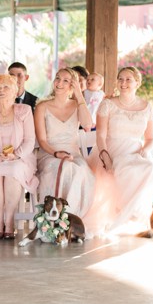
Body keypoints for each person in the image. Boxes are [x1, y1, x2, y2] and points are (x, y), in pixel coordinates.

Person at [91, 67, 153, 232]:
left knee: (151, 167)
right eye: (120, 79)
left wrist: (145, 151)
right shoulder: (107, 104)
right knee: (124, 169)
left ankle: (132, 212)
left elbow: (150, 139)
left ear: (137, 83)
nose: (123, 83)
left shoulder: (147, 107)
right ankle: (130, 213)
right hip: (111, 150)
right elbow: (101, 137)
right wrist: (106, 158)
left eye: (128, 79)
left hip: (136, 152)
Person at [0, 74, 38, 240]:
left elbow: (30, 140)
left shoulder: (24, 110)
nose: (1, 91)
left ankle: (9, 222)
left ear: (15, 92)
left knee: (14, 171)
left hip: (20, 159)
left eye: (6, 87)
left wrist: (15, 155)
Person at [34, 68, 95, 226]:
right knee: (65, 168)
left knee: (82, 171)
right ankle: (55, 220)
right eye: (57, 78)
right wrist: (56, 153)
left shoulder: (77, 105)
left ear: (72, 85)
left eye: (66, 80)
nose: (59, 83)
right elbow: (41, 140)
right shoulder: (42, 107)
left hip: (74, 154)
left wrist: (80, 95)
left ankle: (72, 219)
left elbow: (88, 125)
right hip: (50, 154)